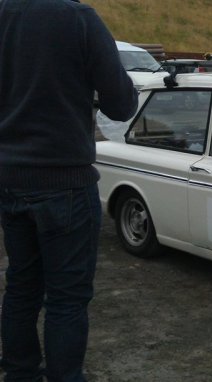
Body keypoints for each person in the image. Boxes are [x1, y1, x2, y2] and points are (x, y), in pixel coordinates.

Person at [0, 1, 138, 381]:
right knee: (66, 299)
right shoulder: (78, 19)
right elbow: (122, 104)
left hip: (10, 178)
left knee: (21, 286)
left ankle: (20, 374)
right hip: (65, 182)